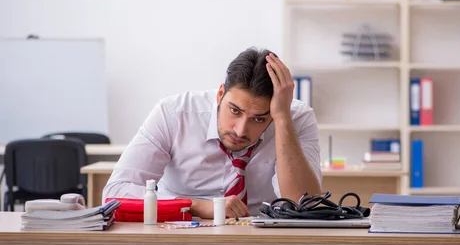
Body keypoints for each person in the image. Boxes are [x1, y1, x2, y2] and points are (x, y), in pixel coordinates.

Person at [102, 47, 322, 218]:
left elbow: (304, 204)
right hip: (182, 234)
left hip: (264, 243)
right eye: (235, 111)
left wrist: (282, 118)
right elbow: (115, 193)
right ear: (219, 95)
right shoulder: (174, 114)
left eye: (259, 118)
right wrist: (196, 206)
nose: (241, 129)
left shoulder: (296, 118)